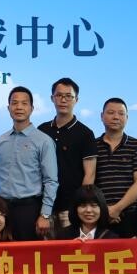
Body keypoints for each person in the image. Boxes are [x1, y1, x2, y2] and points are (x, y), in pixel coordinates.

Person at [0, 86, 58, 241]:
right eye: (14, 103)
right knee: (1, 252)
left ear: (32, 108)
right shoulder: (1, 140)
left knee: (27, 253)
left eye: (24, 103)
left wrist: (45, 215)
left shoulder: (43, 141)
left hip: (29, 209)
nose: (19, 107)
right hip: (1, 208)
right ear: (8, 108)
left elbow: (51, 181)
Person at [38, 78, 96, 233]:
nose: (63, 100)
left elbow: (90, 174)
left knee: (70, 246)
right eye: (59, 95)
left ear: (76, 100)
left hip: (70, 208)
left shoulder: (85, 133)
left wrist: (79, 206)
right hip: (44, 206)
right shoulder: (42, 130)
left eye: (68, 96)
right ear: (52, 98)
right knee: (44, 247)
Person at [93, 98, 137, 237]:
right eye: (111, 112)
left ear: (127, 118)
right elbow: (89, 181)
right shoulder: (92, 146)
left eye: (121, 113)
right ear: (102, 116)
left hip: (131, 215)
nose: (116, 117)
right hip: (100, 214)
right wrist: (105, 210)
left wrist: (117, 209)